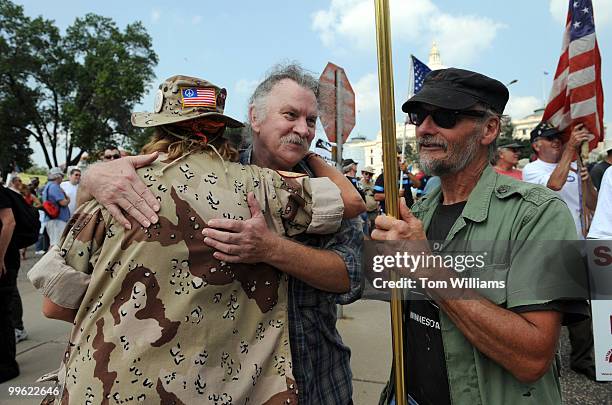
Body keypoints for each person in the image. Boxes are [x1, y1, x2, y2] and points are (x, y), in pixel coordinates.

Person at [36, 65, 365, 404]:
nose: (302, 129)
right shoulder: (124, 186)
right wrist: (94, 177)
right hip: (229, 385)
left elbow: (352, 276)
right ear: (253, 118)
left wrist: (271, 249)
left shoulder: (313, 187)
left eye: (311, 121)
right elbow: (354, 202)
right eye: (290, 115)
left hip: (316, 376)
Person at [373, 68, 588, 404]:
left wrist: (429, 269)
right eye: (419, 116)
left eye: (444, 116)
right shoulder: (420, 213)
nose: (425, 128)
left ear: (489, 129)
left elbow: (532, 358)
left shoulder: (537, 213)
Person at [523, 121, 598, 238]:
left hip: (583, 240)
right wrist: (570, 148)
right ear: (536, 146)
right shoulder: (531, 169)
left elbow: (594, 204)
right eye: (550, 138)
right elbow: (555, 185)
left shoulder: (575, 166)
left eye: (558, 138)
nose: (556, 141)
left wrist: (587, 182)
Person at [0, 184, 21, 382]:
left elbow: (9, 222)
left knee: (2, 313)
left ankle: (7, 366)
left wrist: (0, 258)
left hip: (5, 262)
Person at [41, 168, 70, 247]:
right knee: (56, 245)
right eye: (61, 176)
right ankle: (51, 259)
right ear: (58, 176)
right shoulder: (54, 187)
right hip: (57, 220)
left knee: (54, 244)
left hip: (52, 219)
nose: (62, 178)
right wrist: (68, 198)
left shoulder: (47, 186)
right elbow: (63, 203)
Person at [360, 166, 379, 234]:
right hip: (364, 212)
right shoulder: (359, 184)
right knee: (366, 232)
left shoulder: (374, 184)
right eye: (366, 173)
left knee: (374, 230)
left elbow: (377, 196)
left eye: (370, 174)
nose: (368, 175)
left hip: (374, 211)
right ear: (362, 173)